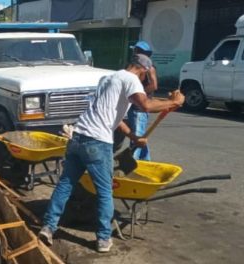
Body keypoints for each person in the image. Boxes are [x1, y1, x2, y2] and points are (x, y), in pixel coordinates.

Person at [38, 54, 185, 253]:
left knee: (66, 184)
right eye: (147, 76)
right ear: (143, 70)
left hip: (77, 136)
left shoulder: (108, 79)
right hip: (97, 142)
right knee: (105, 192)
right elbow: (146, 106)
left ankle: (48, 228)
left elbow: (116, 119)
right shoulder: (131, 79)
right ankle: (103, 239)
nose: (145, 81)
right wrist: (174, 103)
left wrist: (134, 137)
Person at [127, 41, 158, 160]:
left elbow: (154, 85)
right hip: (136, 106)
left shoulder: (148, 68)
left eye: (136, 51)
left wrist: (139, 94)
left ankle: (132, 163)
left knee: (137, 137)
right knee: (139, 136)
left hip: (139, 108)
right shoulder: (139, 66)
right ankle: (146, 161)